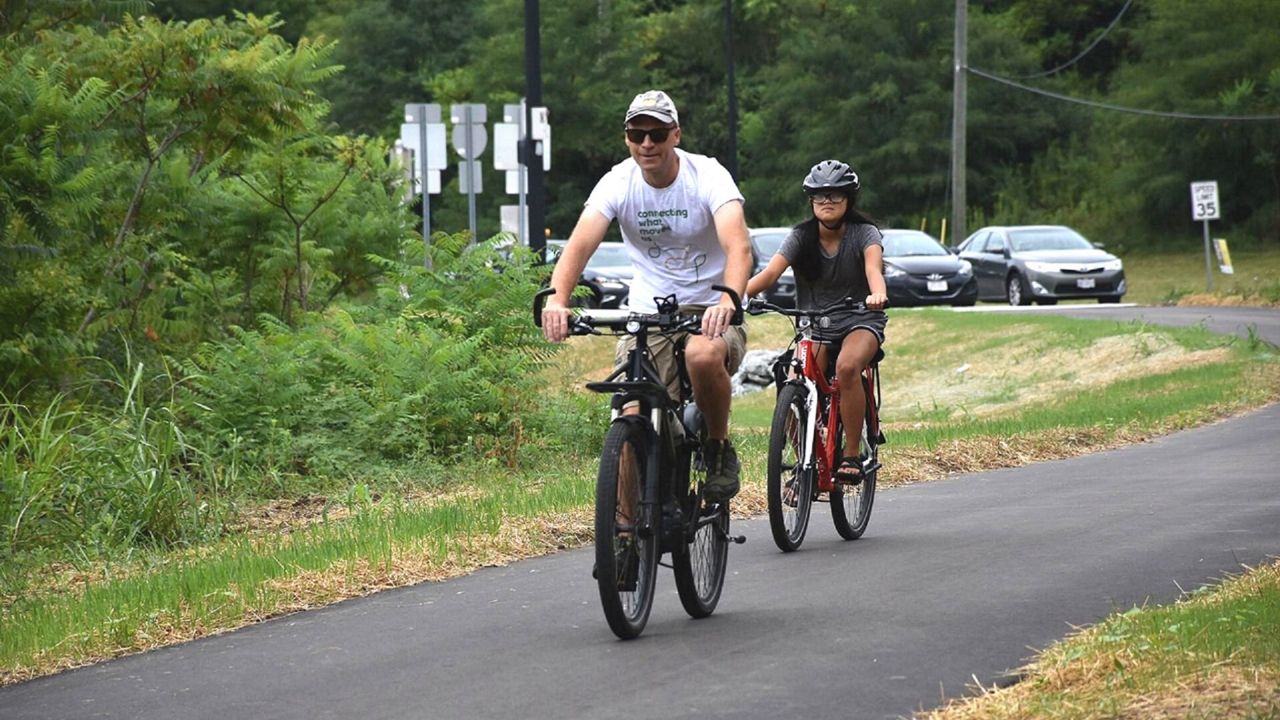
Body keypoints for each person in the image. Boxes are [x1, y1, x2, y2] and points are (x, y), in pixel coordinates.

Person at [541, 90, 753, 500]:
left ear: (676, 135)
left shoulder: (707, 175)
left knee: (702, 355)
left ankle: (717, 447)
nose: (647, 144)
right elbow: (581, 244)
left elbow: (739, 246)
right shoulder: (618, 182)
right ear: (627, 139)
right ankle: (622, 538)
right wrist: (558, 298)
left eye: (656, 134)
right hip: (648, 311)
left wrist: (728, 301)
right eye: (637, 135)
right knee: (631, 412)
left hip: (710, 308)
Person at [746, 160, 888, 484]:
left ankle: (851, 453)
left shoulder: (865, 233)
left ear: (849, 199)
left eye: (836, 195)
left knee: (848, 367)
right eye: (820, 195)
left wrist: (877, 294)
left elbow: (873, 270)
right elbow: (768, 275)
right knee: (794, 381)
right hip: (815, 323)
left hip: (860, 319)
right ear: (811, 200)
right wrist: (731, 297)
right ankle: (803, 465)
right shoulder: (800, 237)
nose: (828, 201)